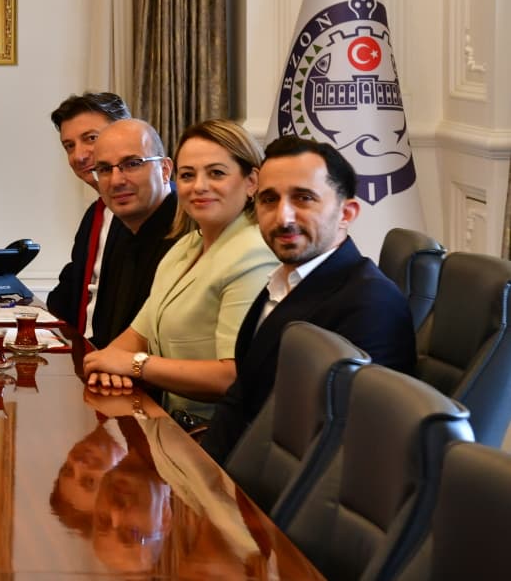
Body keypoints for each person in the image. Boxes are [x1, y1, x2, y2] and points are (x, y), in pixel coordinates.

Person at [201, 135, 415, 462]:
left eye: (303, 198)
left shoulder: (372, 303)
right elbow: (241, 397)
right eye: (269, 200)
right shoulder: (282, 282)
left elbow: (345, 447)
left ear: (346, 213)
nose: (283, 217)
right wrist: (197, 472)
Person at [81, 121, 280, 422]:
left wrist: (134, 365)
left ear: (252, 181)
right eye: (188, 175)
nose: (199, 186)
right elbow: (137, 334)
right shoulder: (185, 246)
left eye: (216, 173)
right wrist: (108, 364)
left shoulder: (255, 253)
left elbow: (233, 375)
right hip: (171, 424)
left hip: (219, 436)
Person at [85, 119, 180, 348]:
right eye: (104, 169)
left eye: (132, 164)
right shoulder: (118, 229)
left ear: (165, 170)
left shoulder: (189, 235)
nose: (116, 180)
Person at [45, 92, 133, 336]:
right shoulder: (94, 215)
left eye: (91, 138)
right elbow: (69, 291)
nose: (79, 156)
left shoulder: (150, 211)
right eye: (69, 146)